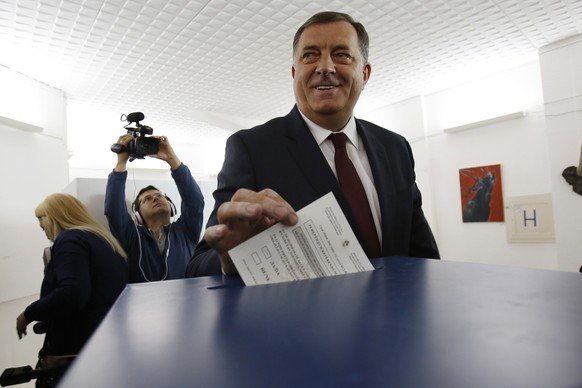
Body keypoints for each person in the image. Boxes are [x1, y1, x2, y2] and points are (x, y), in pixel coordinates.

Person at [186, 11, 439, 278]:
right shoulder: (252, 148)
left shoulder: (395, 147)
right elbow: (198, 266)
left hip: (400, 315)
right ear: (295, 73)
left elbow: (423, 255)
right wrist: (231, 257)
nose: (325, 67)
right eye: (310, 55)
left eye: (341, 54)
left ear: (365, 73)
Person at [16, 193, 128, 387]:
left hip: (75, 354)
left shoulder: (70, 239)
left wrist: (28, 313)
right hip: (102, 348)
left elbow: (73, 293)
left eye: (42, 222)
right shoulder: (104, 240)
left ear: (53, 217)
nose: (42, 229)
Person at [105, 134, 204, 283]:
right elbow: (113, 209)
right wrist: (121, 163)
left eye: (159, 195)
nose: (156, 198)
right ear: (139, 215)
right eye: (147, 199)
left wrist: (171, 158)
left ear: (171, 207)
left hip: (184, 302)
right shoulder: (132, 237)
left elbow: (195, 202)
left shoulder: (186, 231)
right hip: (144, 304)